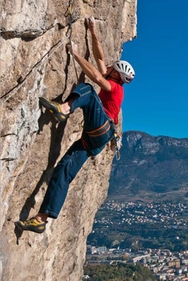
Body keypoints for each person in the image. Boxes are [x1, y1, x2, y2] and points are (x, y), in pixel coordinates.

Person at [15, 17, 135, 234]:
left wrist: (75, 54)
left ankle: (64, 109)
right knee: (63, 171)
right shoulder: (114, 81)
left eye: (112, 67)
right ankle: (41, 218)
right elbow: (99, 57)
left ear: (116, 73)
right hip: (96, 140)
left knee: (87, 90)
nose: (108, 65)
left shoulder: (115, 87)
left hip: (102, 128)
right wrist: (93, 32)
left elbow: (98, 77)